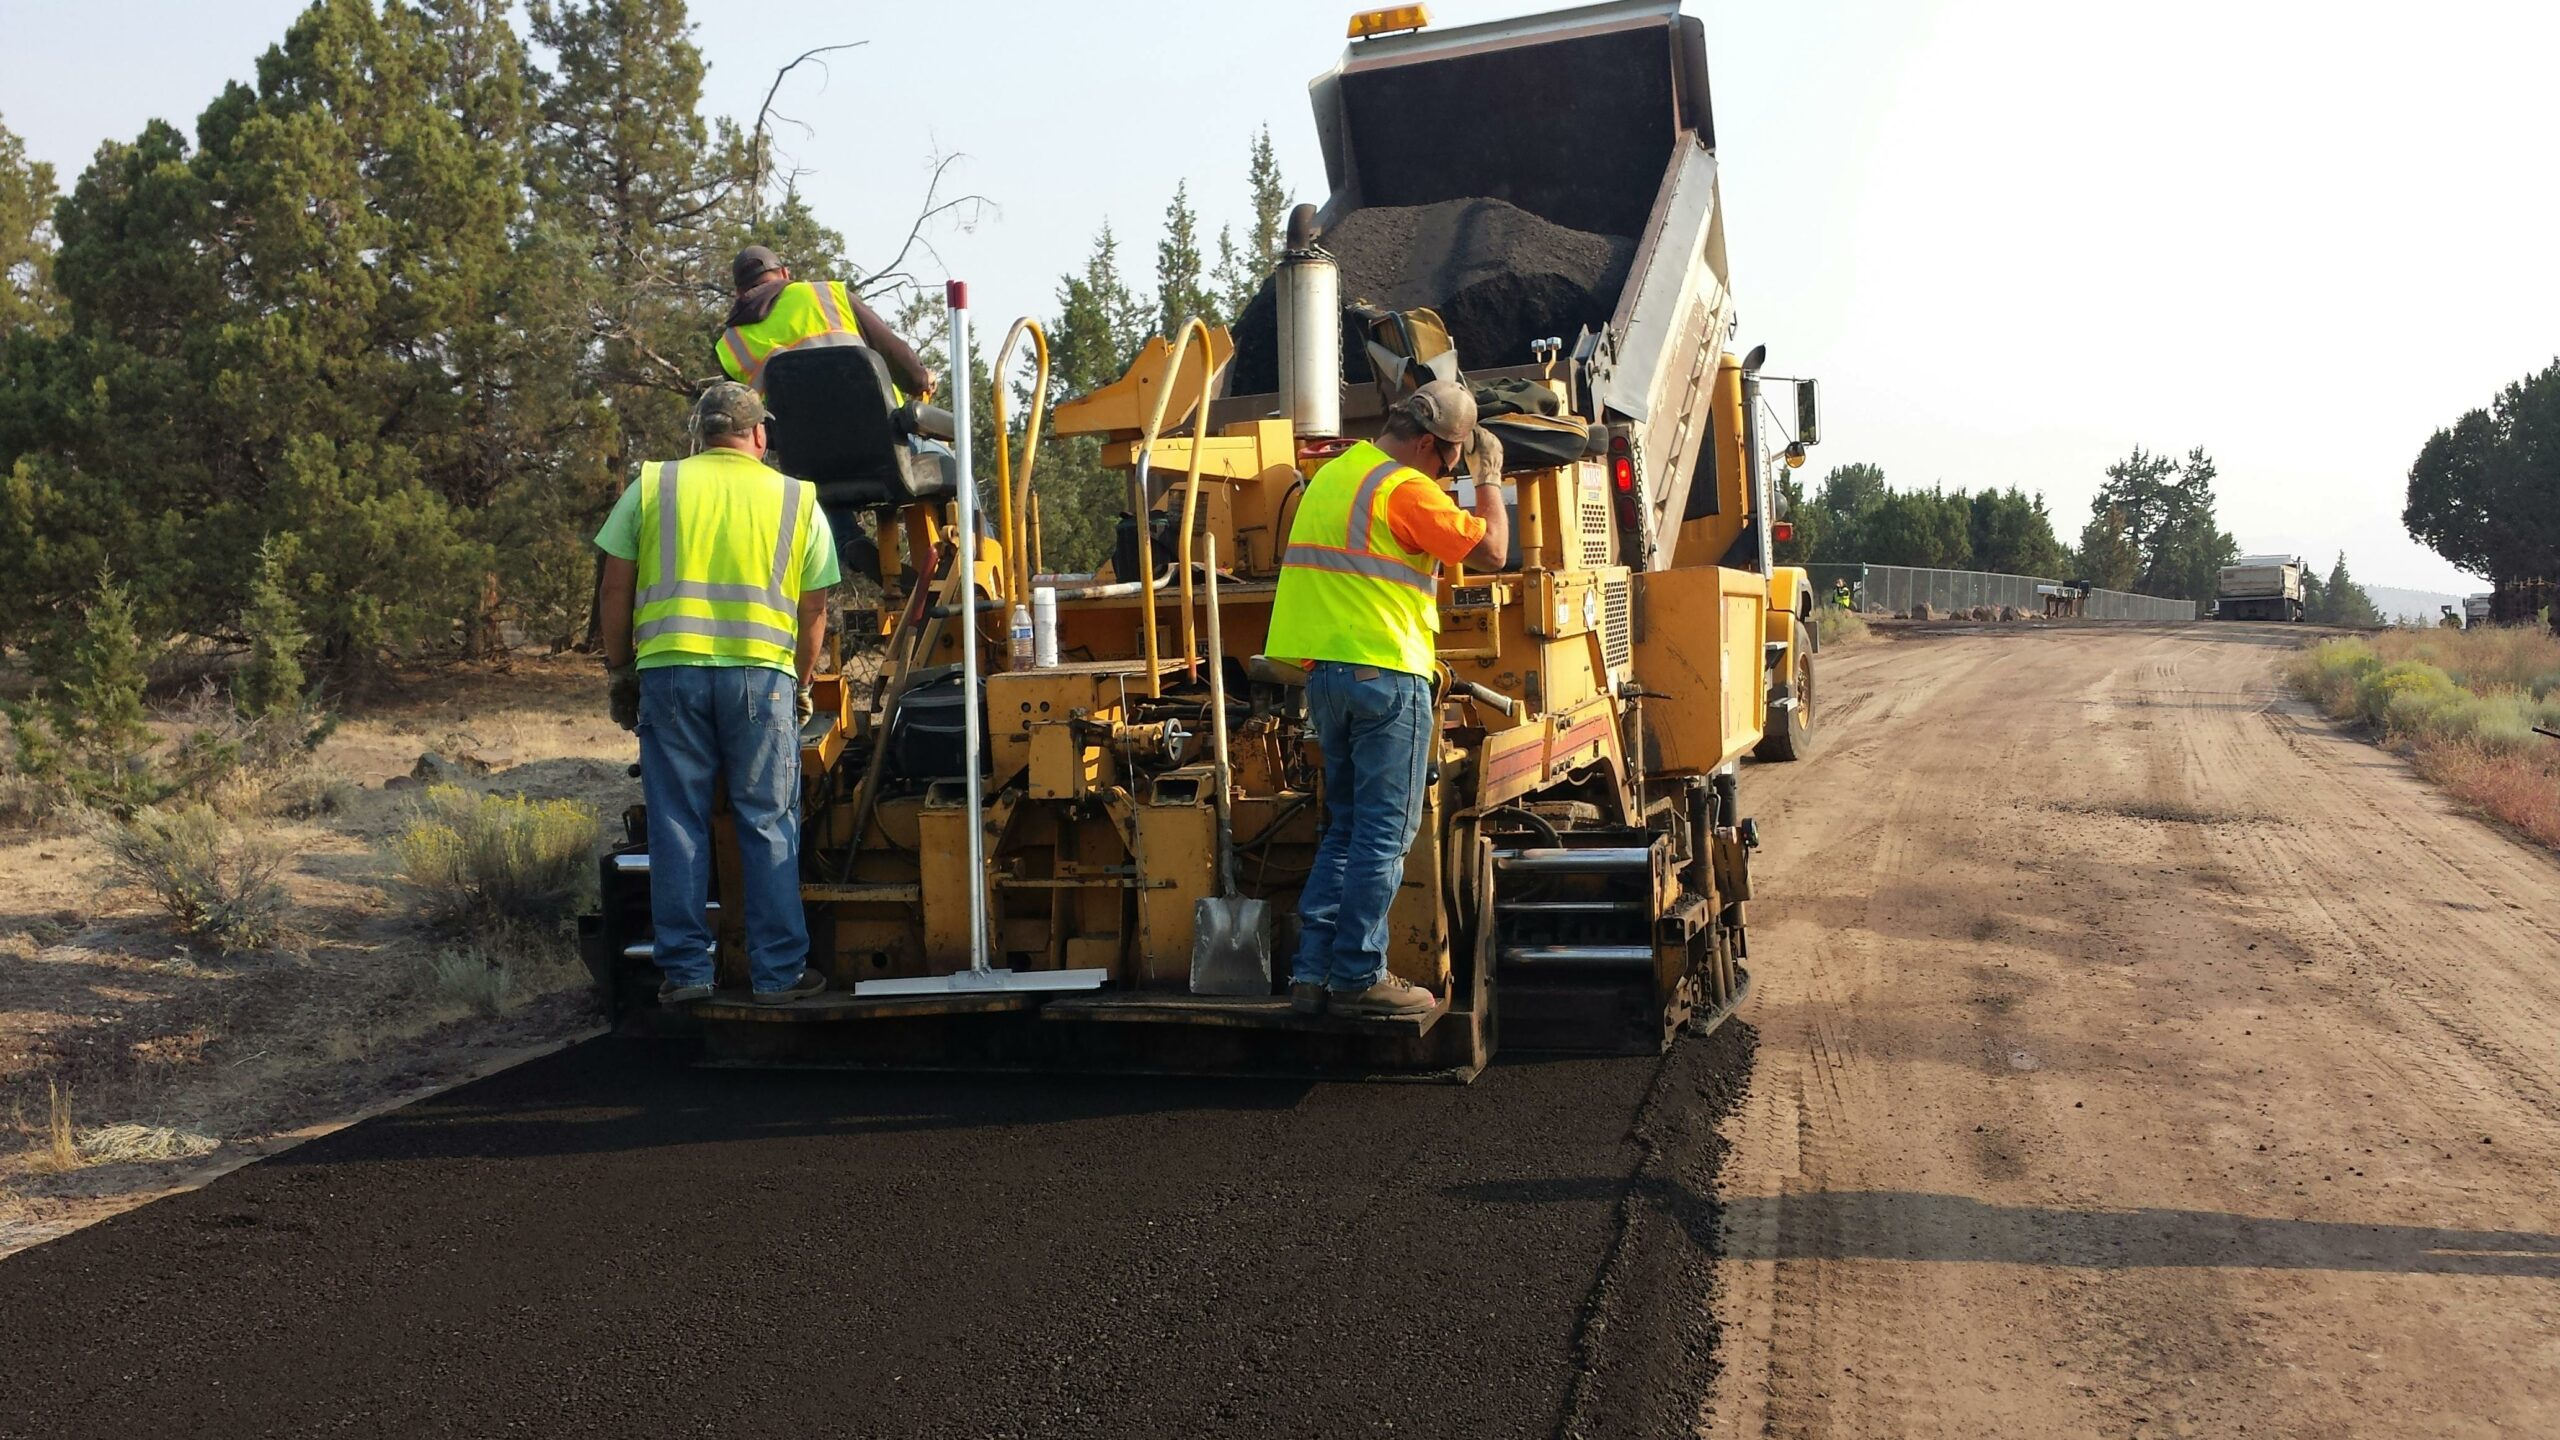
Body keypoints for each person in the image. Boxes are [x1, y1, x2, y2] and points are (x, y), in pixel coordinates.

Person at [1263, 379, 1508, 1019]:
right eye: (1450, 460)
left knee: (1344, 830)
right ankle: (1360, 975)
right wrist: (1489, 477)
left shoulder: (1337, 475)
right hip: (1386, 676)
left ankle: (1312, 976)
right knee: (1383, 834)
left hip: (1328, 679)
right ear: (1428, 442)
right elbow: (1493, 551)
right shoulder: (1404, 488)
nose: (1446, 473)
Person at [595, 383, 841, 1007]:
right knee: (768, 821)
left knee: (677, 822)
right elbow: (815, 609)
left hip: (670, 675)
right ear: (760, 435)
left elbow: (615, 589)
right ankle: (778, 976)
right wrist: (804, 682)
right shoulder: (796, 498)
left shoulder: (654, 486)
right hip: (762, 679)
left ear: (697, 434)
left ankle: (686, 972)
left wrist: (621, 670)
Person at [717, 244, 935, 400]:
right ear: (784, 272)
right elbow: (890, 350)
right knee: (941, 454)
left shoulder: (730, 345)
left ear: (738, 292)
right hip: (883, 438)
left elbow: (742, 416)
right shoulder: (826, 294)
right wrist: (921, 380)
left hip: (803, 457)